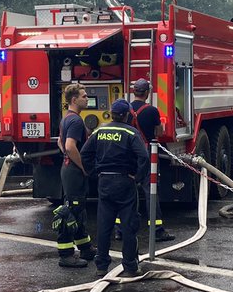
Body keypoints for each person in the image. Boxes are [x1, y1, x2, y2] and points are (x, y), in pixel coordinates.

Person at [81, 99, 150, 278]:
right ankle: (130, 267)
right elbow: (143, 157)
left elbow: (85, 154)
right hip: (125, 182)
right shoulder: (130, 132)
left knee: (104, 225)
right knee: (128, 225)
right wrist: (138, 177)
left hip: (104, 182)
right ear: (127, 115)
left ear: (111, 113)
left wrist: (94, 173)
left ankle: (101, 266)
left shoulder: (100, 131)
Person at [127, 78, 174, 242]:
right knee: (150, 191)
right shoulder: (152, 111)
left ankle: (121, 229)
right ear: (147, 93)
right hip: (147, 154)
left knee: (127, 192)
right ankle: (157, 229)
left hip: (129, 154)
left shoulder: (126, 109)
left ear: (134, 92)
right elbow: (159, 133)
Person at [55, 83, 94, 268]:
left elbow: (60, 143)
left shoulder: (67, 118)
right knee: (71, 210)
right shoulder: (76, 121)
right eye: (84, 96)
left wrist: (68, 157)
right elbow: (69, 146)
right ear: (74, 100)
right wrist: (83, 167)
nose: (87, 99)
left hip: (69, 169)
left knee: (79, 210)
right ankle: (66, 254)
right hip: (74, 172)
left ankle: (85, 248)